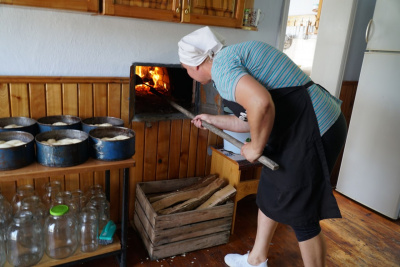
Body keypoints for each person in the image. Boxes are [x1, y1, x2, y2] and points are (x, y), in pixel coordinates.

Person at [177, 26, 347, 267]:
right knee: (270, 191)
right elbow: (248, 119)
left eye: (185, 69)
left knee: (301, 212)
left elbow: (261, 103)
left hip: (315, 128)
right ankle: (256, 260)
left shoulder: (223, 70)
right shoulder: (229, 60)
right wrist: (211, 119)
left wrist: (256, 148)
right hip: (299, 128)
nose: (187, 73)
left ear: (195, 65)